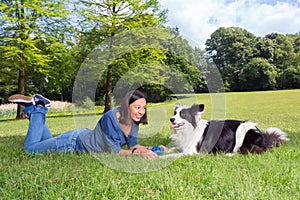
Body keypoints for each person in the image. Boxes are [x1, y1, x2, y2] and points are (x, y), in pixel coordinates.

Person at [8, 90, 167, 159]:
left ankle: (35, 108)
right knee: (29, 150)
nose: (141, 112)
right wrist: (136, 155)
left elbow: (134, 145)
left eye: (144, 108)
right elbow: (114, 152)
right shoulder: (112, 117)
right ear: (127, 106)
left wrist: (151, 149)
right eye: (137, 107)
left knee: (41, 144)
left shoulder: (134, 123)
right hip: (72, 143)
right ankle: (38, 110)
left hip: (78, 138)